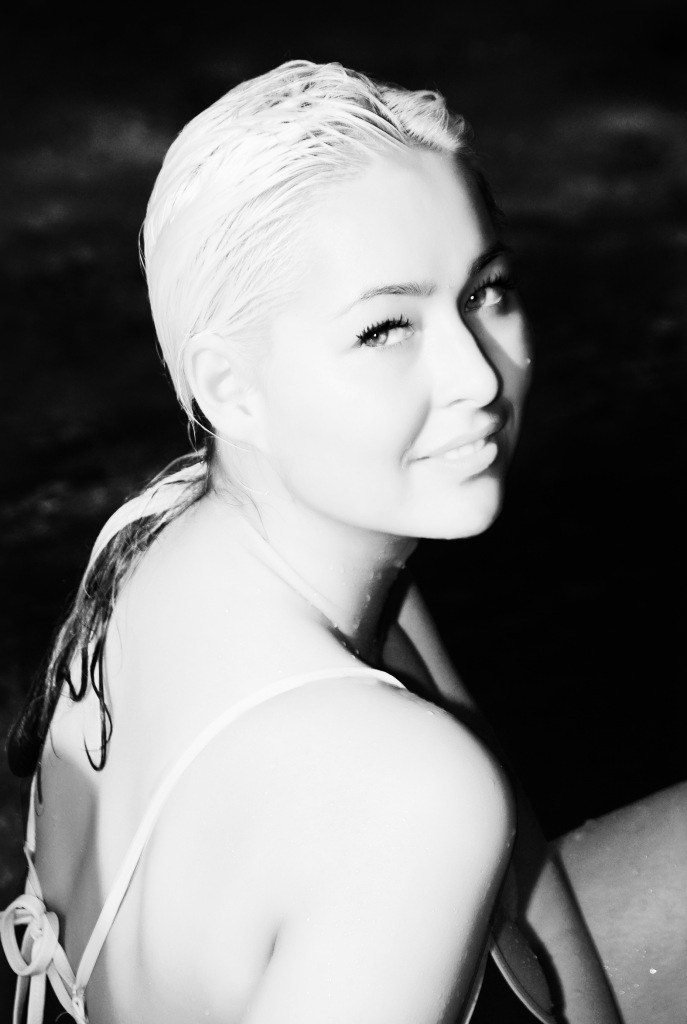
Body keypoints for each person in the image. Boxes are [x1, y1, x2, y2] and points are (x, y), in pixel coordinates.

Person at [0, 59, 683, 1024]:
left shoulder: (162, 532)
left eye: (484, 291)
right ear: (228, 387)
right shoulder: (407, 794)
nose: (478, 378)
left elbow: (535, 911)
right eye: (383, 329)